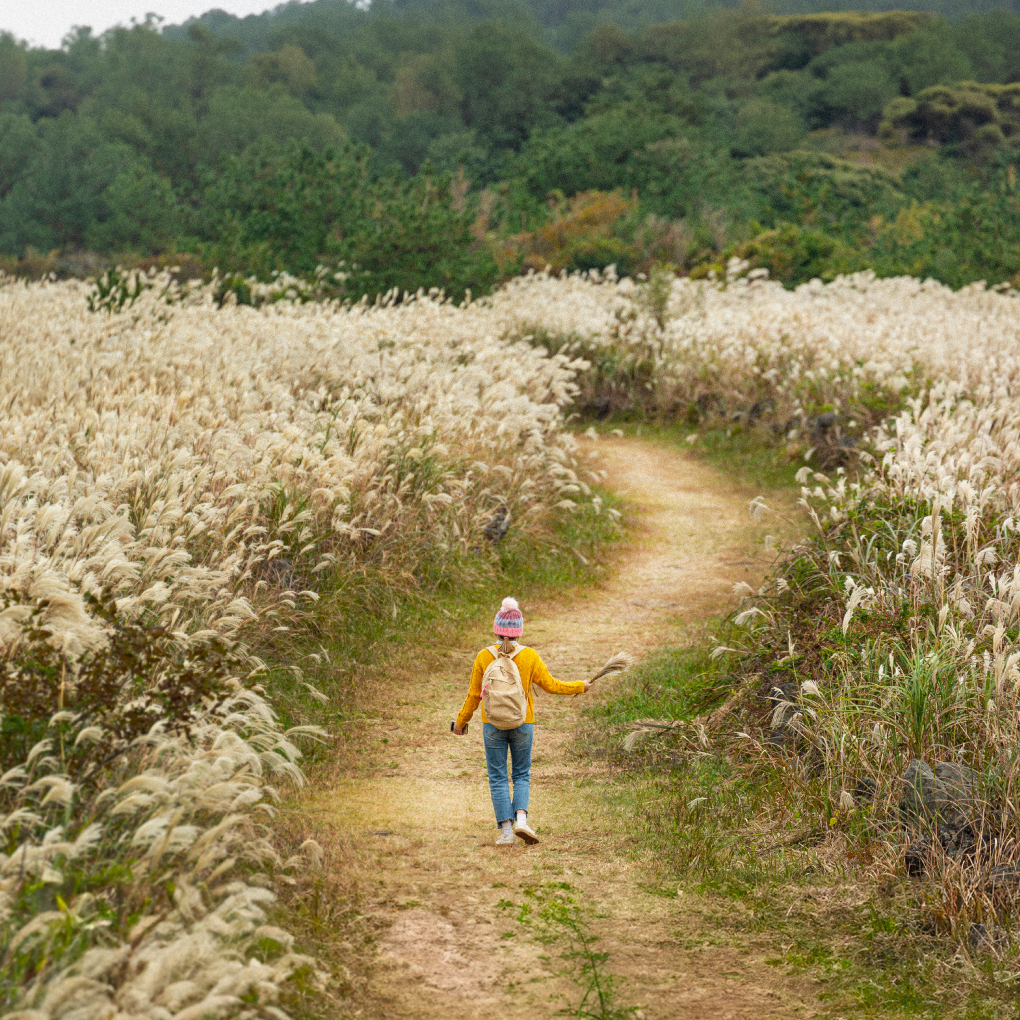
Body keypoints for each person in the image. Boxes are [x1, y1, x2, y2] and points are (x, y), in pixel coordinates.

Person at [452, 597, 591, 845]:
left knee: (497, 776)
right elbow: (551, 685)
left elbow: (473, 695)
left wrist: (461, 723)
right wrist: (579, 686)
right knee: (521, 774)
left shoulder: (484, 657)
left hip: (492, 723)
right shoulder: (529, 656)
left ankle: (506, 832)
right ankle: (522, 821)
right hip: (522, 723)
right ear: (519, 631)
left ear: (496, 628)